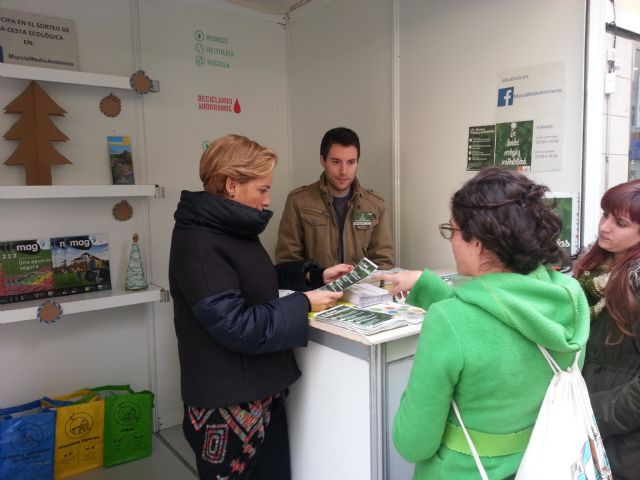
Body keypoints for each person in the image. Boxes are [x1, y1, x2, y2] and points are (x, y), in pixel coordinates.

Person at [379, 167, 590, 479]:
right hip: (545, 462)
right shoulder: (569, 296)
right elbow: (507, 309)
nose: (450, 241)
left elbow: (413, 444)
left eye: (452, 231)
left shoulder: (449, 322)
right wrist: (424, 284)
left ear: (477, 243)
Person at [169, 134, 350, 480]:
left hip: (259, 393)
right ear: (232, 185)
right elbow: (236, 324)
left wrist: (314, 275)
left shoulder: (230, 227)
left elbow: (260, 280)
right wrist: (305, 303)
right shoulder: (197, 240)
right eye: (262, 190)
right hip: (227, 408)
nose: (268, 200)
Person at [573, 179, 640, 480]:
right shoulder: (591, 273)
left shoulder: (634, 287)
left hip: (623, 444)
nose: (604, 227)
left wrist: (591, 413)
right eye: (605, 215)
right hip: (587, 434)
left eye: (620, 223)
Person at [275, 126, 394, 269]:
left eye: (351, 162)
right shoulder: (298, 202)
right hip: (316, 289)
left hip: (363, 289)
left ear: (358, 162)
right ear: (322, 160)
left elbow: (383, 263)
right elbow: (288, 262)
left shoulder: (375, 205)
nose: (344, 171)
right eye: (336, 162)